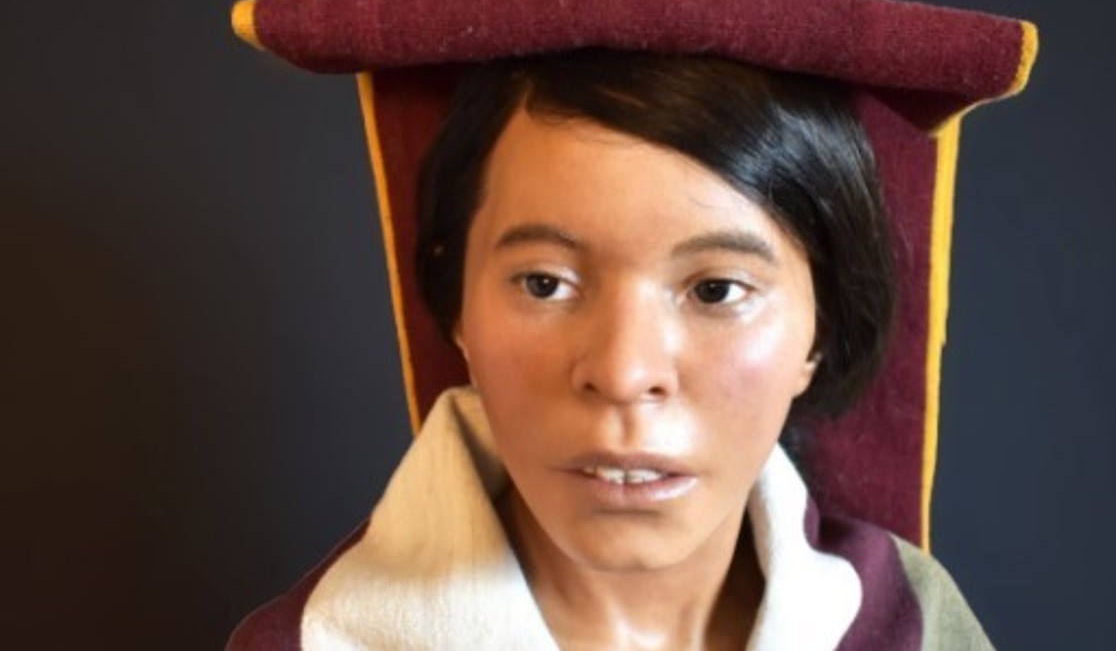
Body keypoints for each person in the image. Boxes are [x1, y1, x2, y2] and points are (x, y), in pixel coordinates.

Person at [229, 50, 994, 650]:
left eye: (717, 289)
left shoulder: (914, 626)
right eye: (544, 283)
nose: (625, 373)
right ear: (455, 301)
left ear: (819, 331)